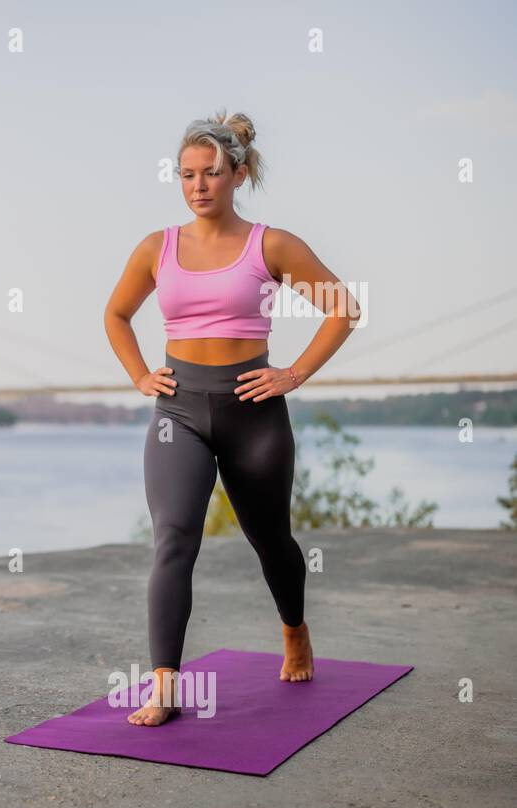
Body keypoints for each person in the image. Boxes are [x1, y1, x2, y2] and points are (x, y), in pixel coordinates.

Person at [102, 111, 359, 727]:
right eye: (187, 175)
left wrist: (293, 373)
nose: (198, 185)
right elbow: (116, 315)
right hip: (178, 411)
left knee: (270, 539)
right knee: (173, 537)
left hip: (254, 412)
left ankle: (294, 629)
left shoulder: (271, 245)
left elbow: (343, 309)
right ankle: (165, 681)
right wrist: (141, 375)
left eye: (211, 173)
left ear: (237, 174)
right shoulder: (156, 248)